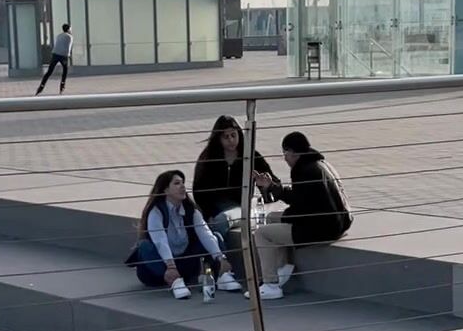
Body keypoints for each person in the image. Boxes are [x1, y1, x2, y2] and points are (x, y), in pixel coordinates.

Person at [253, 131, 351, 300]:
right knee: (271, 218)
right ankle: (283, 268)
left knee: (262, 234)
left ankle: (270, 284)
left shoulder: (304, 171)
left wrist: (285, 218)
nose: (285, 158)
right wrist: (272, 187)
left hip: (322, 229)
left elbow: (301, 209)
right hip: (338, 222)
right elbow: (301, 197)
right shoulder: (318, 163)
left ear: (292, 152)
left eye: (285, 153)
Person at [128, 170, 244, 299]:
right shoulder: (156, 211)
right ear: (165, 190)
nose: (182, 186)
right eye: (177, 183)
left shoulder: (190, 210)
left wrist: (221, 258)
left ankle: (222, 276)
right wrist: (170, 266)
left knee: (215, 236)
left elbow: (205, 233)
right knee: (144, 246)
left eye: (183, 183)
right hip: (159, 271)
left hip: (183, 265)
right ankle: (175, 282)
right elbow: (160, 241)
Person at [192, 114, 280, 275]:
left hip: (241, 207)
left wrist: (265, 185)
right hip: (213, 207)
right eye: (226, 137)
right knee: (207, 225)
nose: (231, 140)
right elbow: (198, 190)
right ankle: (216, 267)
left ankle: (218, 268)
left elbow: (274, 183)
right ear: (218, 139)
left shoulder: (250, 155)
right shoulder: (209, 157)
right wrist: (208, 212)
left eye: (234, 135)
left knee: (221, 221)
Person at [37, 21, 74, 94]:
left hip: (55, 54)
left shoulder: (59, 35)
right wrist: (68, 56)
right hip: (63, 55)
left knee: (49, 71)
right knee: (65, 70)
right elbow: (68, 47)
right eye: (70, 28)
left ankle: (41, 85)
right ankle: (62, 85)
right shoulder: (70, 37)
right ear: (68, 29)